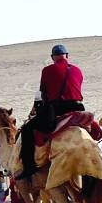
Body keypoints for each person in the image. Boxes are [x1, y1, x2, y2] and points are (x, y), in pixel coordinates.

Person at [17, 44, 85, 179]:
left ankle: (29, 168)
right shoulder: (77, 70)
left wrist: (35, 109)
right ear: (67, 56)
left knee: (27, 130)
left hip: (57, 108)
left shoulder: (47, 70)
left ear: (53, 57)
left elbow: (43, 93)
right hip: (78, 108)